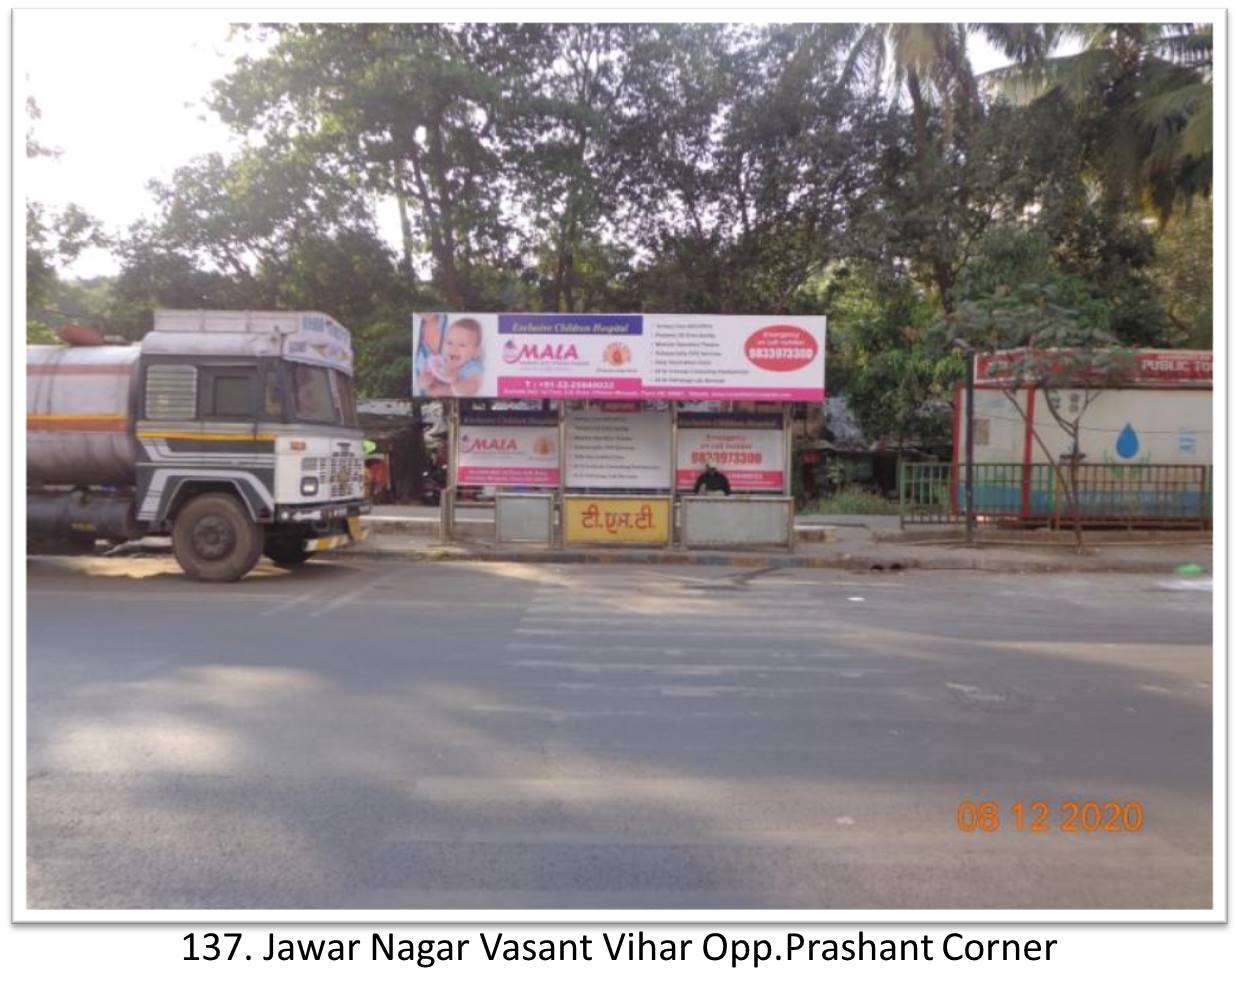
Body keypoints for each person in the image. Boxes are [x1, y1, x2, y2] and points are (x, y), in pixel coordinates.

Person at [419, 317, 485, 397]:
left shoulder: (472, 367)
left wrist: (456, 380)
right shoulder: (440, 361)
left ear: (475, 351)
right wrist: (424, 381)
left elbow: (473, 387)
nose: (454, 348)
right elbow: (423, 379)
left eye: (462, 345)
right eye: (450, 343)